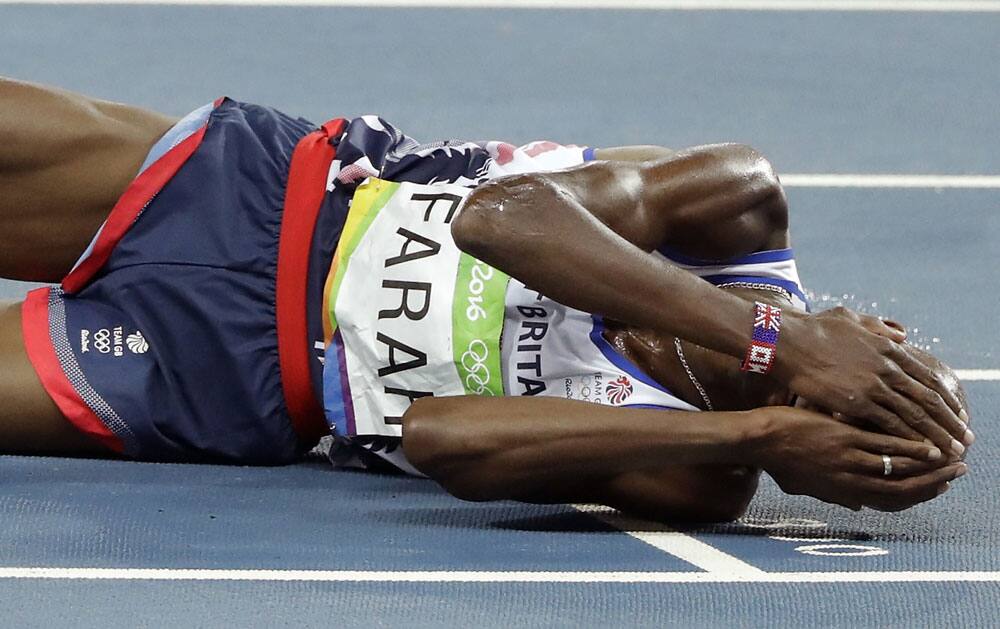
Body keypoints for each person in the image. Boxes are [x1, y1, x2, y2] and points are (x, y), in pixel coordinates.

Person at [0, 78, 971, 522]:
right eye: (881, 361)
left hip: (230, 373)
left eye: (834, 420)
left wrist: (748, 434)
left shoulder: (692, 474)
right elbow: (500, 222)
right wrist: (773, 338)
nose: (829, 391)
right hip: (265, 192)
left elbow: (445, 437)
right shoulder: (735, 208)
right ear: (867, 332)